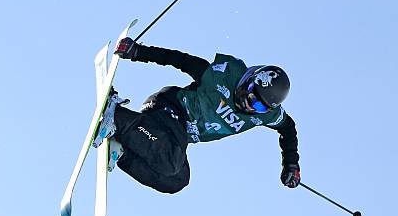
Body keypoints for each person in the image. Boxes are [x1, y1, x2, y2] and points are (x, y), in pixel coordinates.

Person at [94, 38, 301, 194]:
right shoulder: (221, 75)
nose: (249, 105)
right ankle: (119, 117)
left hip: (179, 134)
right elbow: (179, 60)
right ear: (248, 79)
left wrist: (291, 163)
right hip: (169, 109)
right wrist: (137, 51)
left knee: (178, 180)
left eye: (259, 106)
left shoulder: (265, 115)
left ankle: (121, 151)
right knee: (171, 161)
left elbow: (288, 128)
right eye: (251, 94)